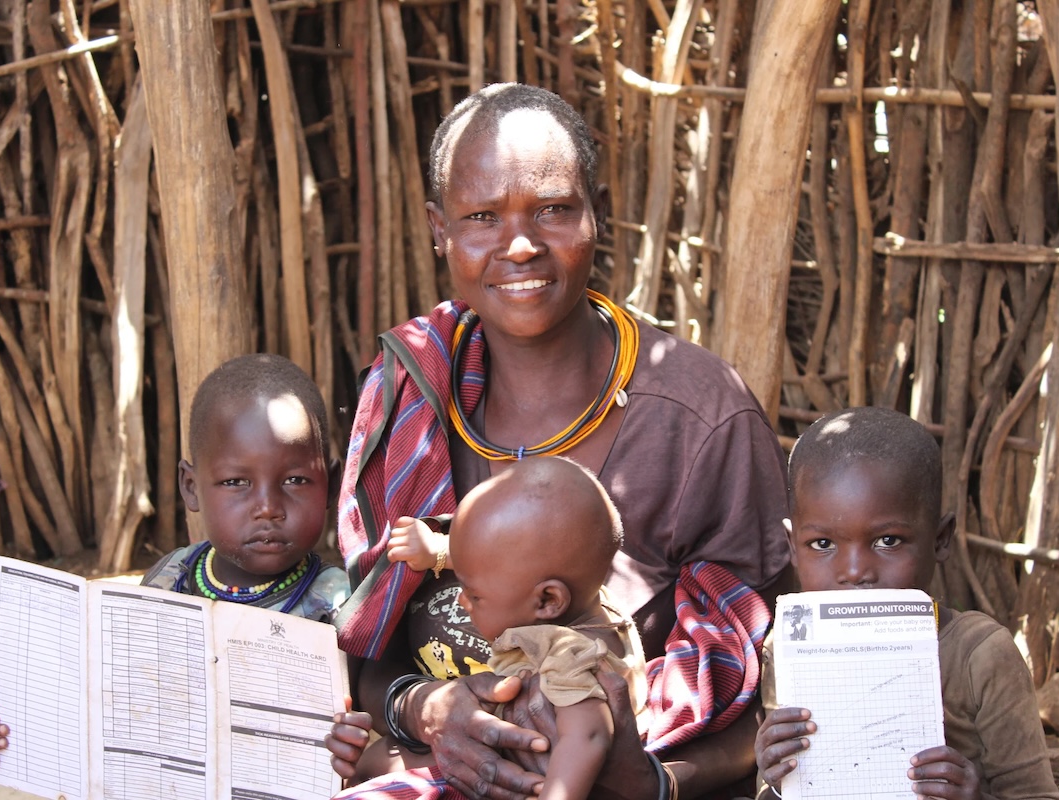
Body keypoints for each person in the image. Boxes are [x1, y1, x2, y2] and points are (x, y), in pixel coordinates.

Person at [334, 82, 792, 800]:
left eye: (552, 210)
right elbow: (366, 643)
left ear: (596, 214)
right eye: (481, 217)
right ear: (438, 228)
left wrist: (652, 783)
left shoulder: (701, 424)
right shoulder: (409, 396)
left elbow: (776, 690)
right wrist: (423, 710)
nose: (520, 245)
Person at [0, 353, 351, 775]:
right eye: (235, 482)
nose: (268, 507)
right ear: (191, 487)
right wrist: (14, 735)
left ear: (331, 484)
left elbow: (365, 720)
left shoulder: (337, 603)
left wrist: (352, 751)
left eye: (295, 480)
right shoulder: (170, 579)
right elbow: (117, 700)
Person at [754, 407, 1059, 800]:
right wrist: (775, 779)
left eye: (888, 541)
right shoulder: (788, 648)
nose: (855, 572)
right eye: (823, 544)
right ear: (792, 547)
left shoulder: (981, 656)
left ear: (940, 539)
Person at [329, 457, 648, 800]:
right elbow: (495, 560)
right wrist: (437, 552)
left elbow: (587, 738)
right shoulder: (588, 596)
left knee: (374, 764)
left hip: (525, 768)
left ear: (548, 601)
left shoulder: (569, 656)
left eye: (475, 595)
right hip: (505, 743)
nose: (462, 601)